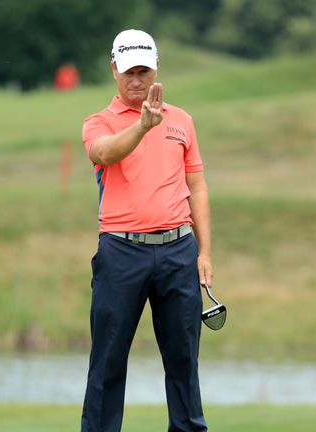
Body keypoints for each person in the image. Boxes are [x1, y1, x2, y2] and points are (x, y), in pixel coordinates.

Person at [80, 29, 212, 432]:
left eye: (144, 70)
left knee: (183, 360)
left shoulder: (182, 121)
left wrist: (205, 253)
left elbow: (197, 187)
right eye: (129, 72)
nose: (137, 80)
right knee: (108, 360)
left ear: (156, 69)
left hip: (178, 251)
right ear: (114, 71)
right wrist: (142, 126)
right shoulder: (99, 122)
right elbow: (104, 152)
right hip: (122, 253)